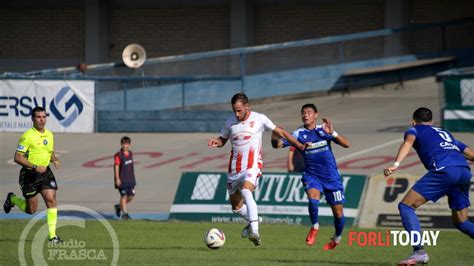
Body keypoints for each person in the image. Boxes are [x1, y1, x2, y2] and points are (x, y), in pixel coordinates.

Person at [208, 92, 305, 246]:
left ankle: (255, 231)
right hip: (234, 169)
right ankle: (256, 218)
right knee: (236, 207)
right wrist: (216, 142)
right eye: (234, 110)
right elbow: (223, 140)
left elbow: (281, 131)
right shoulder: (230, 122)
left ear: (247, 106)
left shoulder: (260, 119)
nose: (237, 114)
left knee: (247, 191)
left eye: (239, 110)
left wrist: (299, 145)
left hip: (252, 166)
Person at [383, 107, 474, 265]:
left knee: (406, 206)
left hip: (444, 171)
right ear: (432, 122)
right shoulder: (445, 134)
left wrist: (396, 164)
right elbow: (471, 154)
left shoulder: (414, 130)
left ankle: (419, 252)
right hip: (464, 171)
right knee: (461, 221)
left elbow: (408, 143)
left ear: (413, 121)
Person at [272, 103, 351, 250]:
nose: (305, 114)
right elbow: (276, 145)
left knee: (338, 214)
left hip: (332, 178)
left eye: (309, 112)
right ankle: (315, 227)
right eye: (303, 112)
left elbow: (347, 144)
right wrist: (275, 134)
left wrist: (333, 133)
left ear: (315, 115)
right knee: (313, 201)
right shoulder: (298, 134)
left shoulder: (324, 130)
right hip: (312, 175)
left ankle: (337, 238)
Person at [3, 106, 62, 243]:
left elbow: (48, 151)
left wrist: (55, 160)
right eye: (38, 117)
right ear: (33, 119)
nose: (42, 120)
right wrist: (35, 167)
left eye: (43, 117)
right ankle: (12, 199)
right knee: (31, 210)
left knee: (51, 200)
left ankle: (52, 236)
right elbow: (17, 157)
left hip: (45, 173)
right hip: (30, 175)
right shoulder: (27, 136)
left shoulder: (49, 134)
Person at [114, 136, 136, 220]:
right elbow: (116, 166)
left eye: (126, 144)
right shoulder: (118, 155)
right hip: (122, 180)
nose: (125, 146)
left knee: (131, 196)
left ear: (129, 145)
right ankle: (125, 214)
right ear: (121, 144)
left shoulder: (130, 153)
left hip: (130, 179)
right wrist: (117, 178)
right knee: (123, 196)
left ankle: (119, 207)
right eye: (123, 144)